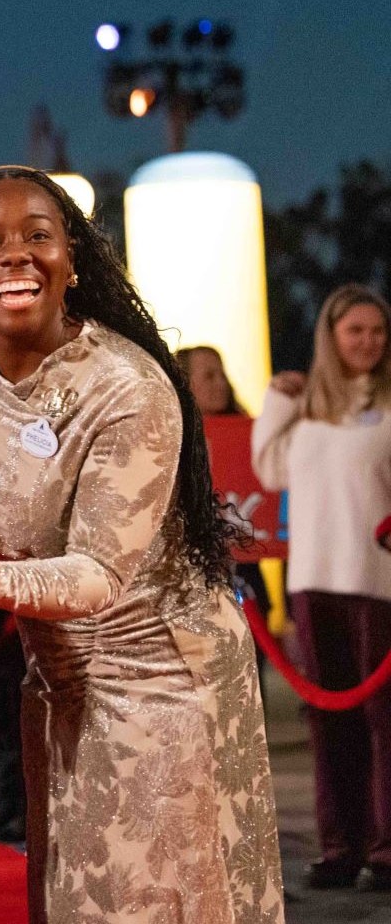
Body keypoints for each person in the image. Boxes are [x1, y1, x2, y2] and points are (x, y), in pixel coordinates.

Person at [0, 164, 284, 921]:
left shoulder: (128, 384)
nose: (15, 255)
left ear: (72, 261)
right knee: (75, 899)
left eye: (38, 237)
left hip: (163, 687)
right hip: (57, 691)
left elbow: (98, 574)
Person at [252, 283, 391, 891]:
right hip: (314, 581)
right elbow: (269, 468)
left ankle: (387, 850)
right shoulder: (304, 404)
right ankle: (340, 846)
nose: (368, 342)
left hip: (379, 581)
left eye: (378, 332)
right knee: (326, 722)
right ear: (331, 336)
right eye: (356, 330)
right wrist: (276, 401)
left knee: (384, 722)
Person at [179, 344, 274, 658]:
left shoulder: (249, 437)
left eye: (221, 373)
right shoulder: (165, 440)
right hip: (189, 583)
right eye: (208, 375)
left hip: (244, 579)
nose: (220, 382)